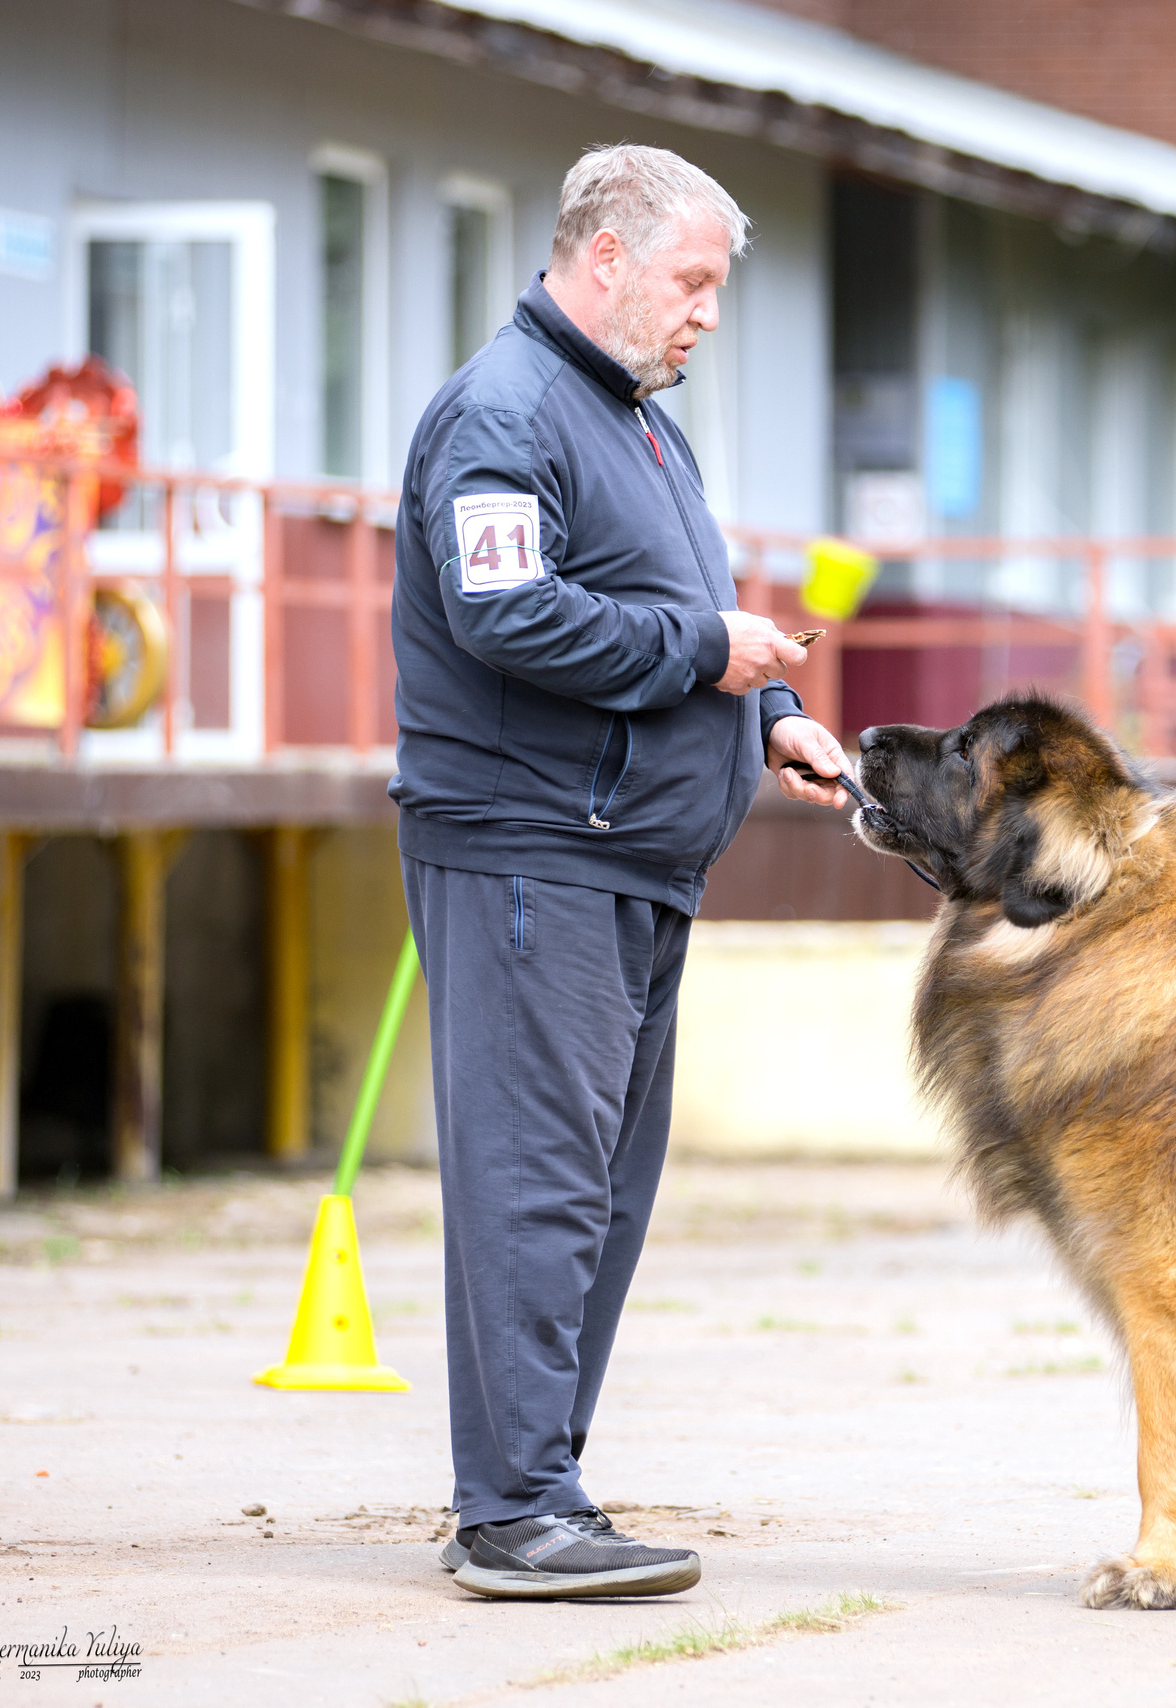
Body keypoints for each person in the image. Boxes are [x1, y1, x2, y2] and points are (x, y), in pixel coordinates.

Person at [389, 144, 850, 1598]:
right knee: (537, 1184)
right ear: (603, 256)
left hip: (631, 864)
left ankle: (544, 1486)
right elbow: (505, 614)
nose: (709, 311)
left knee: (600, 1194)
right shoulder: (505, 413)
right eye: (692, 280)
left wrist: (769, 711)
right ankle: (516, 1511)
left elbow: (676, 606)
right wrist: (710, 655)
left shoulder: (637, 420)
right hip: (534, 853)